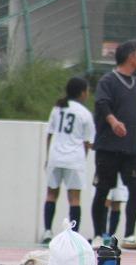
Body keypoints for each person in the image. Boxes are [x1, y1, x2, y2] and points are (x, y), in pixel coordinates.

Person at [90, 39, 136, 248]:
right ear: (130, 56)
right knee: (103, 189)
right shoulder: (108, 80)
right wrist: (113, 122)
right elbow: (102, 103)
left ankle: (129, 234)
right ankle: (98, 234)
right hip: (109, 147)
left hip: (132, 148)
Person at [41, 76, 95, 243]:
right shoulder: (85, 113)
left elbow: (49, 134)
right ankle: (73, 235)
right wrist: (83, 159)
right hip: (74, 159)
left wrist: (48, 157)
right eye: (87, 91)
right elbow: (88, 142)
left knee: (51, 194)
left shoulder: (57, 108)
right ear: (82, 93)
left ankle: (47, 231)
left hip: (55, 157)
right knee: (74, 198)